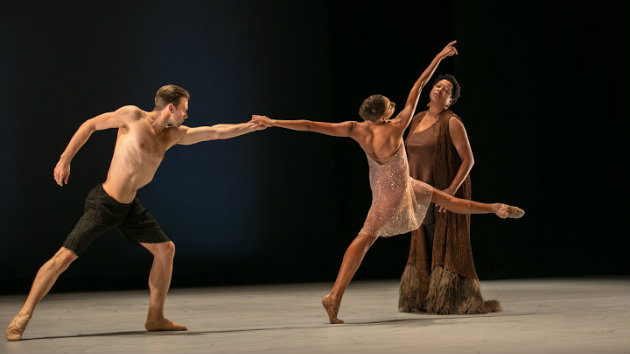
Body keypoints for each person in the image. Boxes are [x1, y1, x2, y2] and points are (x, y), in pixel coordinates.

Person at [251, 41, 524, 324]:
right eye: (391, 105)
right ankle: (333, 296)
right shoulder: (397, 126)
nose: (396, 106)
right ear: (383, 116)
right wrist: (439, 57)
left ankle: (496, 207)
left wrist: (273, 121)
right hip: (392, 196)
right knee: (365, 238)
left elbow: (309, 125)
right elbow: (419, 86)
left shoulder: (356, 129)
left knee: (447, 201)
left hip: (399, 186)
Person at [5, 84, 266, 341]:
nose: (186, 115)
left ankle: (155, 318)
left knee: (166, 250)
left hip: (129, 208)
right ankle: (22, 317)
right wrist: (65, 158)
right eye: (184, 110)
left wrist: (251, 126)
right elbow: (91, 125)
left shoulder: (171, 135)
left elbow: (215, 132)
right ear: (171, 107)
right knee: (63, 258)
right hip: (105, 204)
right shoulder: (132, 116)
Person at [398, 74, 500, 314]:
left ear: (450, 101)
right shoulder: (417, 119)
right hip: (417, 192)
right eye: (438, 86)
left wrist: (451, 191)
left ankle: (450, 297)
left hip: (441, 191)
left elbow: (468, 160)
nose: (440, 90)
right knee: (422, 241)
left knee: (441, 239)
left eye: (446, 90)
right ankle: (425, 296)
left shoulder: (452, 122)